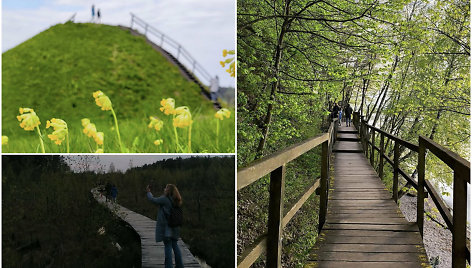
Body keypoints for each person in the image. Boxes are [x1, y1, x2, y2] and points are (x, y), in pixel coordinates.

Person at [146, 184, 184, 268]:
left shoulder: (165, 199)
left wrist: (148, 192)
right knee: (175, 245)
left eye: (166, 188)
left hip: (167, 229)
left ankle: (169, 266)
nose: (164, 189)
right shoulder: (177, 200)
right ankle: (180, 266)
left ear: (168, 190)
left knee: (168, 247)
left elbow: (153, 200)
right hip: (175, 227)